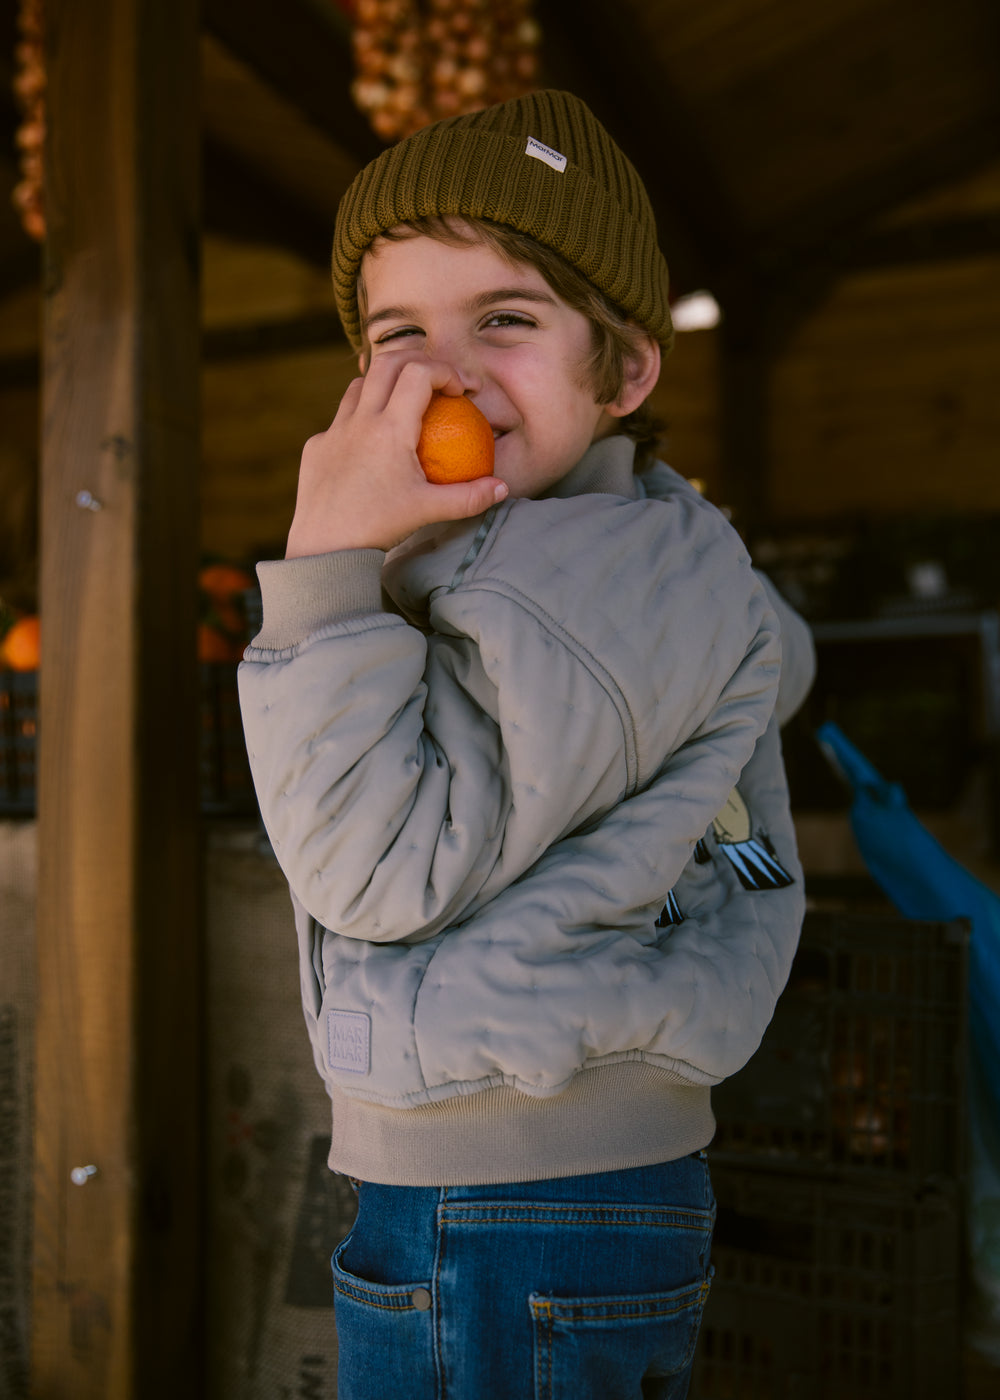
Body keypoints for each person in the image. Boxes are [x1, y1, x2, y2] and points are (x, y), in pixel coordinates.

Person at [238, 89, 814, 1400]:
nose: (446, 373)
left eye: (506, 319)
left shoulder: (557, 585)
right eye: (400, 335)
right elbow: (777, 654)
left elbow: (380, 876)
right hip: (551, 1190)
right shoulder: (633, 554)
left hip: (505, 1196)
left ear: (624, 370)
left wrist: (325, 565)